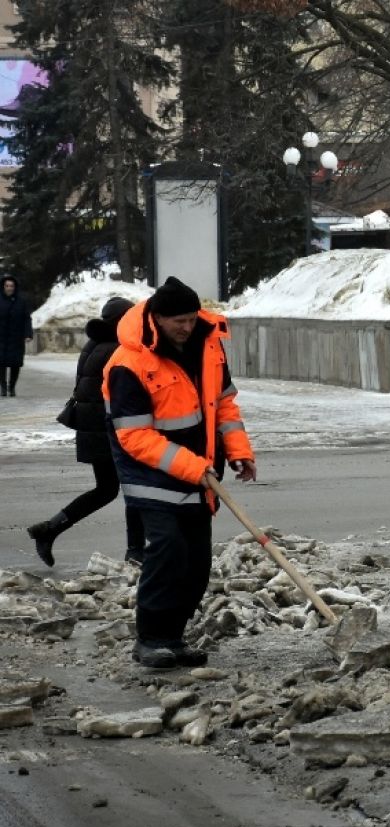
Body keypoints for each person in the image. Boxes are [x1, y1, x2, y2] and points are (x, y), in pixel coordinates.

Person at [103, 277, 257, 669]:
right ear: (157, 317)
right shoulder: (129, 362)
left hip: (200, 470)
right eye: (179, 322)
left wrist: (237, 451)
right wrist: (193, 466)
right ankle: (151, 639)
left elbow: (223, 404)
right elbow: (133, 435)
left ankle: (174, 637)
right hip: (150, 473)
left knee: (196, 561)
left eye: (191, 319)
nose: (187, 328)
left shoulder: (209, 344)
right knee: (168, 550)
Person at [27, 298, 145, 567]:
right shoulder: (115, 348)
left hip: (93, 429)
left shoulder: (95, 344)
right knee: (133, 487)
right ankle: (135, 552)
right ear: (121, 321)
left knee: (106, 489)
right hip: (108, 430)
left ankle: (49, 529)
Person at [0, 272, 33, 396]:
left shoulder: (21, 301)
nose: (9, 288)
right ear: (3, 287)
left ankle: (11, 387)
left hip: (16, 338)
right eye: (7, 286)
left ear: (15, 287)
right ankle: (3, 387)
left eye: (11, 286)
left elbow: (27, 318)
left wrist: (28, 333)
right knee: (1, 363)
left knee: (15, 364)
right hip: (1, 337)